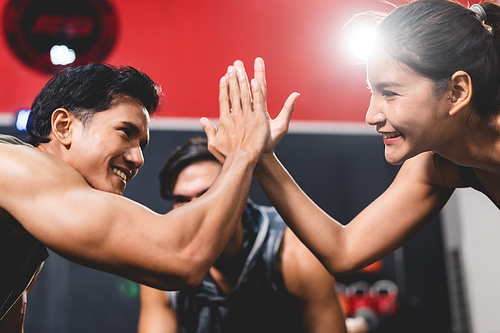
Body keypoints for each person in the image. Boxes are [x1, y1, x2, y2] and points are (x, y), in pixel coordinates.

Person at [203, 0, 500, 281]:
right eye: (372, 91)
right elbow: (344, 250)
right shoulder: (439, 164)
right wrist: (262, 156)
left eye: (390, 93)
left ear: (457, 92)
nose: (371, 115)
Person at [0, 62, 269, 332]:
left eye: (141, 145)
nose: (138, 158)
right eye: (125, 133)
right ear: (64, 126)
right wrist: (243, 152)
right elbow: (183, 255)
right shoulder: (15, 166)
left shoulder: (27, 226)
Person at [137, 137, 352, 333]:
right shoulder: (162, 266)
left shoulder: (294, 254)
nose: (195, 211)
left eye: (208, 194)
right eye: (182, 200)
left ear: (239, 194)